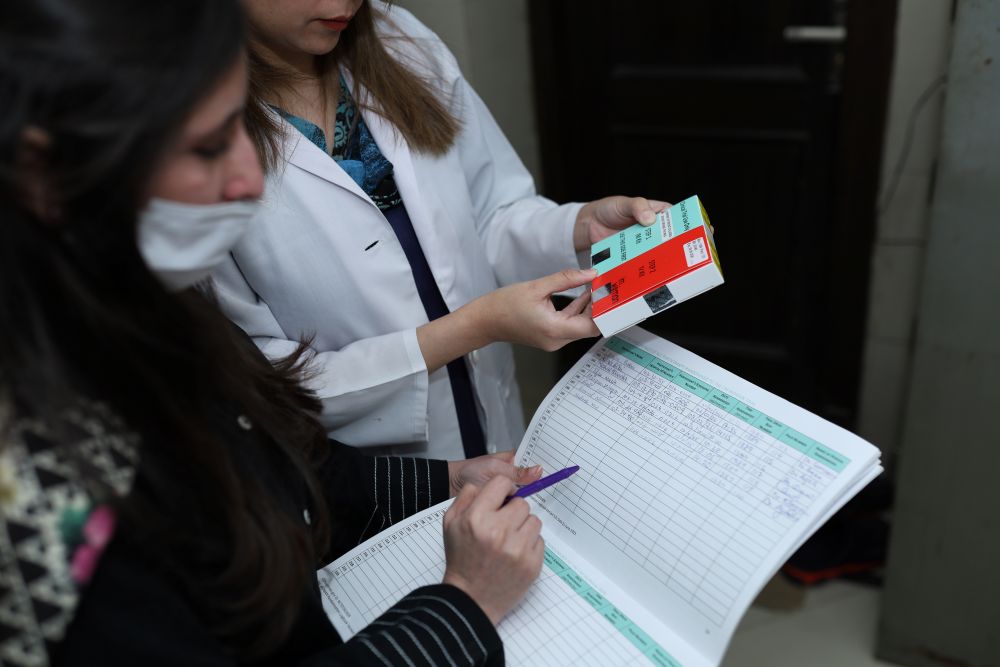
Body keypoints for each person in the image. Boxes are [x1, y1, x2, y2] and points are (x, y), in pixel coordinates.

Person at [0, 1, 545, 664]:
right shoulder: (43, 498)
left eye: (240, 123)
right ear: (44, 172)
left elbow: (263, 455)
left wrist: (441, 482)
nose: (249, 176)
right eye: (207, 146)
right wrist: (463, 604)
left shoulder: (139, 308)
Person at [212, 0, 669, 461]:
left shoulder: (400, 39)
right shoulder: (193, 142)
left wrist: (578, 228)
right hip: (367, 477)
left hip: (492, 425)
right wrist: (472, 328)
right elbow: (255, 383)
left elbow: (489, 213)